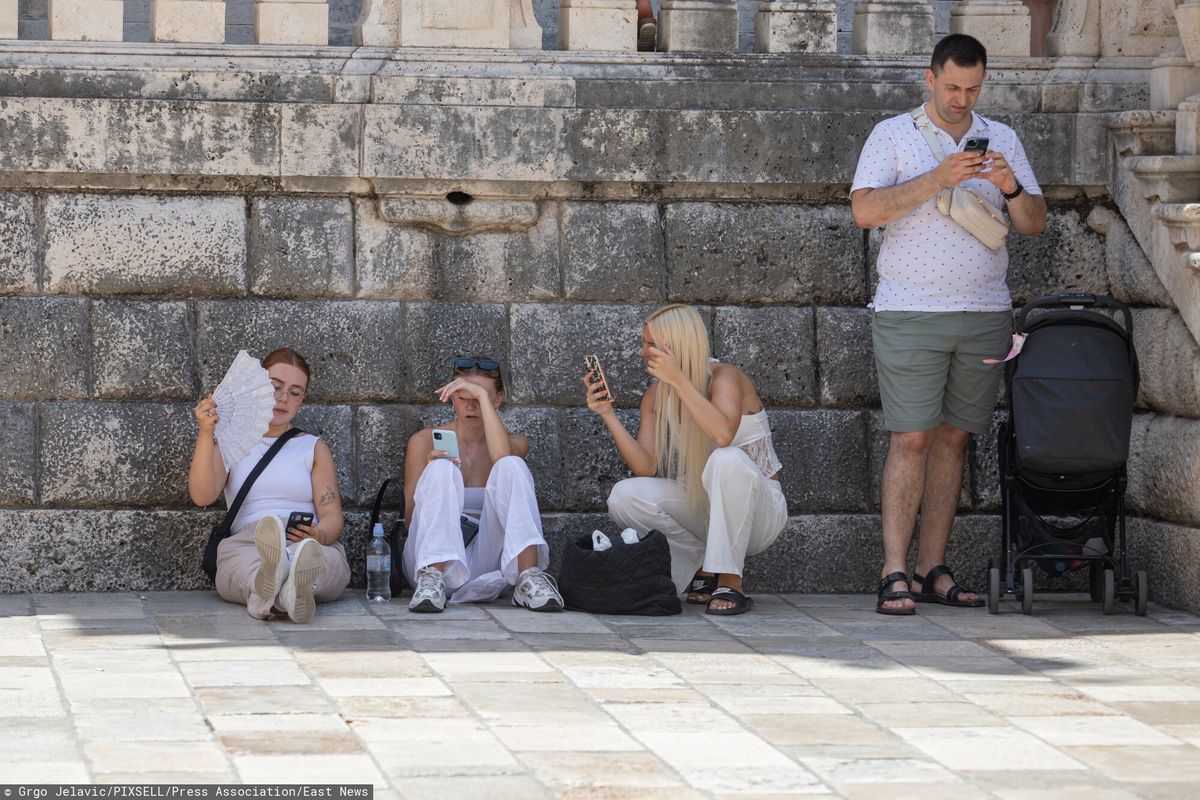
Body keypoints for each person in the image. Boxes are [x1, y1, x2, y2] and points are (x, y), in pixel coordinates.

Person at [849, 34, 1047, 615]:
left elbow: (1034, 222)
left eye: (974, 89)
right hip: (910, 309)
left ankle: (933, 567)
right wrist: (939, 177)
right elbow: (864, 211)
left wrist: (1008, 184)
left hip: (985, 311)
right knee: (910, 436)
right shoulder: (893, 134)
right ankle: (893, 571)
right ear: (930, 79)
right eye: (954, 87)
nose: (963, 100)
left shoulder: (1002, 137)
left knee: (955, 439)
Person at [584, 304, 787, 616]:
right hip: (706, 511)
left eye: (650, 344)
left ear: (675, 347)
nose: (642, 352)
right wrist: (608, 415)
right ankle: (702, 567)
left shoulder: (726, 378)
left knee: (727, 459)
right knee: (624, 496)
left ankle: (731, 578)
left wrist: (680, 381)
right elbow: (645, 467)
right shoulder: (655, 395)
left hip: (761, 514)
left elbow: (722, 435)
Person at [188, 348, 350, 623]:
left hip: (304, 541)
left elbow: (332, 514)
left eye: (294, 392)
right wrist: (207, 433)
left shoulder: (313, 447)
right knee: (246, 566)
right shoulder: (230, 439)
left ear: (302, 400)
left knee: (330, 564)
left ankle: (277, 589)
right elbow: (202, 496)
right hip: (250, 541)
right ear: (259, 387)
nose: (283, 397)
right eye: (275, 387)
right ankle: (285, 586)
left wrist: (319, 536)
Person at [402, 357, 563, 613]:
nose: (471, 406)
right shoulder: (423, 442)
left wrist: (482, 398)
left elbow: (501, 456)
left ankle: (529, 576)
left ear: (497, 400)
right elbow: (410, 521)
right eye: (463, 396)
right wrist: (430, 477)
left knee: (512, 465)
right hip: (429, 562)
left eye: (480, 398)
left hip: (484, 558)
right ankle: (433, 579)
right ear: (452, 397)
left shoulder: (516, 443)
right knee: (442, 467)